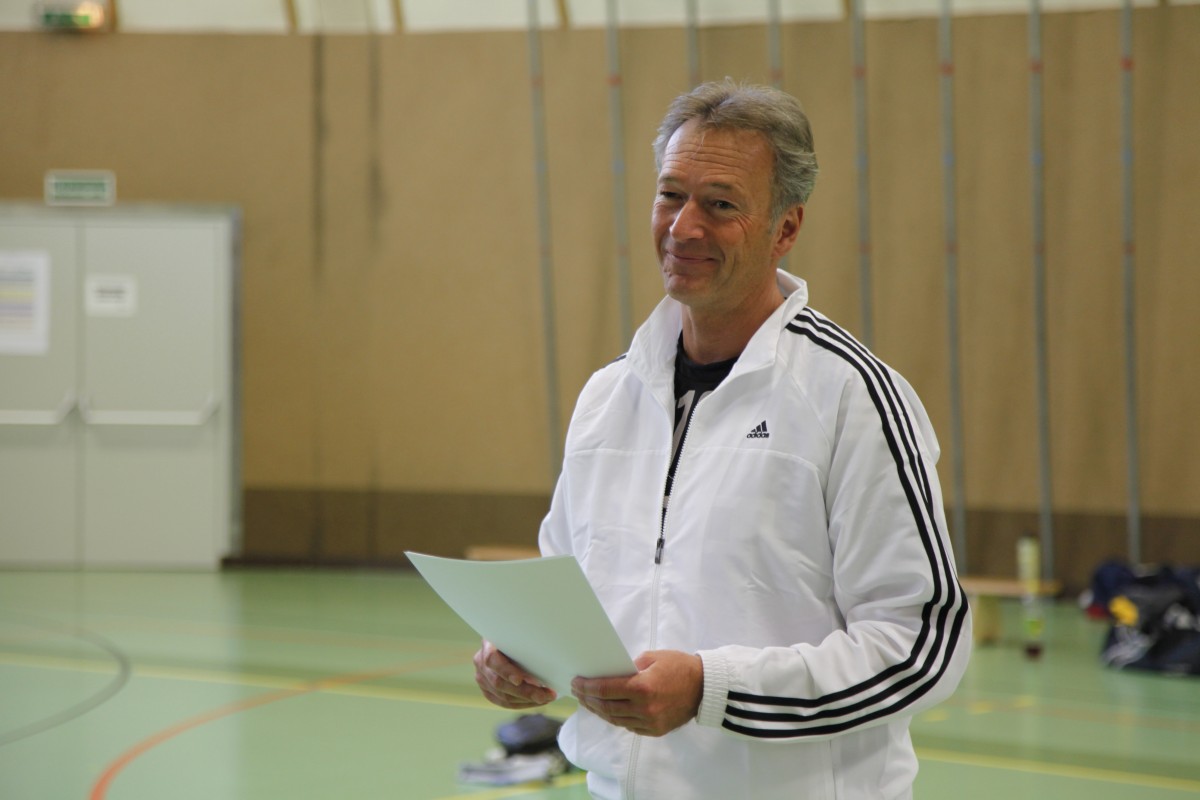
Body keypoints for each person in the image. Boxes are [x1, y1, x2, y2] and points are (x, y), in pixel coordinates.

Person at [474, 79, 972, 799]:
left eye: (720, 205)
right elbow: (565, 595)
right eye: (670, 195)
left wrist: (714, 690)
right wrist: (518, 655)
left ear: (786, 229)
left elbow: (921, 647)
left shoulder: (853, 398)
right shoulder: (608, 397)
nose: (683, 228)